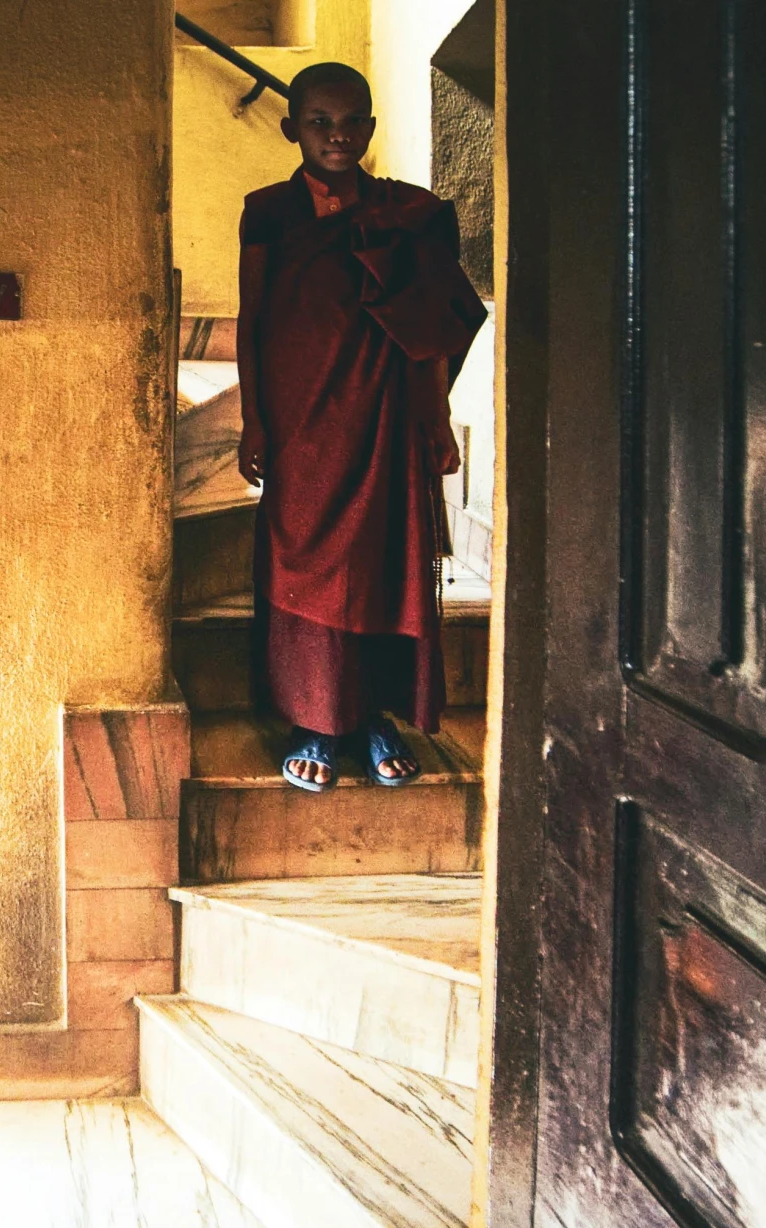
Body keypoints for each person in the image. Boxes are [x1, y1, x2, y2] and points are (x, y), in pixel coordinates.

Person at [236, 62, 486, 791]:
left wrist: (437, 413)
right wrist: (254, 417)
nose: (337, 135)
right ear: (292, 129)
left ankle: (375, 713)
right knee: (303, 565)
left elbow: (434, 324)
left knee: (385, 561)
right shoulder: (269, 213)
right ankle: (314, 718)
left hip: (385, 415)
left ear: (370, 130)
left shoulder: (408, 215)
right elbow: (254, 319)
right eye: (320, 122)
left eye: (352, 122)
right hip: (302, 419)